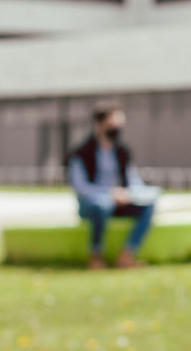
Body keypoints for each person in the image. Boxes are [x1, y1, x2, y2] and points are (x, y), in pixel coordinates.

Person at [68, 101, 157, 269]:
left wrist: (129, 194)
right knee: (102, 204)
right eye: (112, 125)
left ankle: (127, 255)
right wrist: (109, 193)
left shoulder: (122, 152)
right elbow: (81, 188)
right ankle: (95, 256)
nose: (116, 130)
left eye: (119, 126)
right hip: (93, 204)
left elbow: (134, 181)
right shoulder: (81, 152)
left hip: (117, 201)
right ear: (99, 125)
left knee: (148, 206)